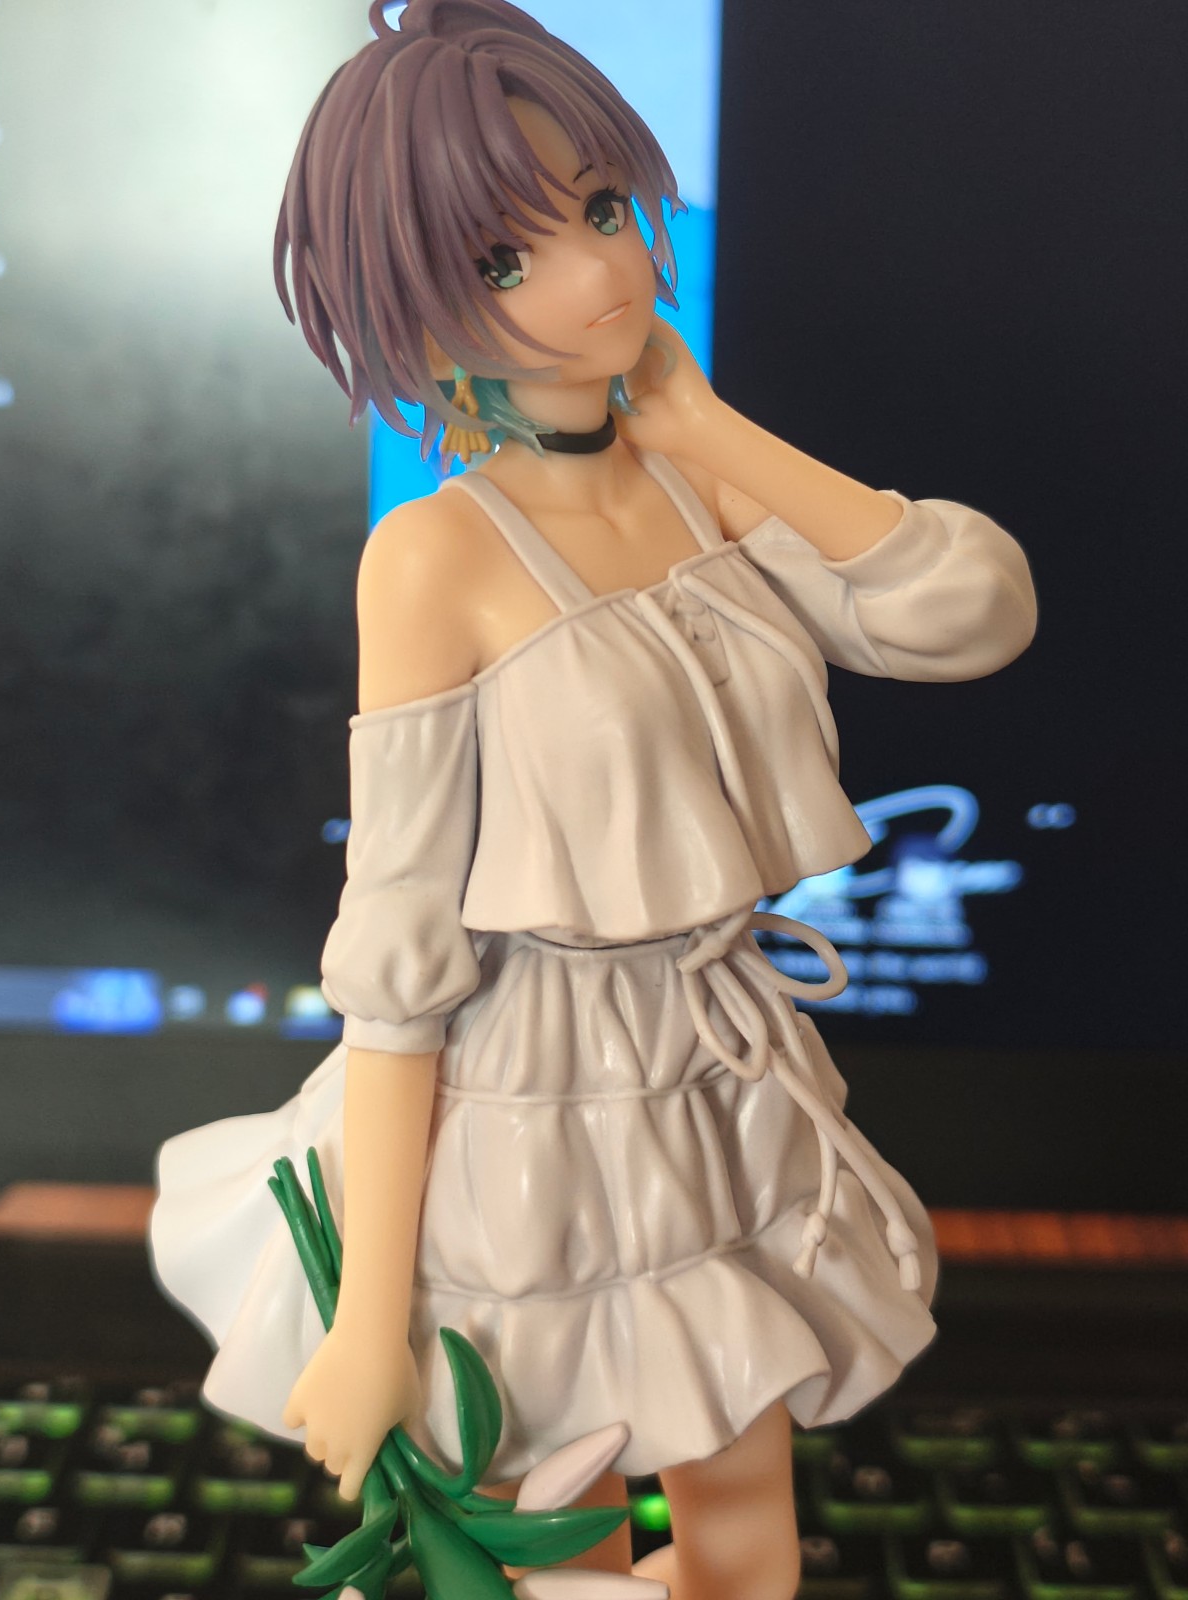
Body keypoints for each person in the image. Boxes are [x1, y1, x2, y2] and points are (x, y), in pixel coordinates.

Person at [150, 3, 1038, 1596]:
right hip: (517, 1112)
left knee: (745, 1527)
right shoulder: (432, 557)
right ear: (420, 305)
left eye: (606, 210)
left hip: (710, 1076)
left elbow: (966, 617)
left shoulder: (704, 483)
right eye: (509, 256)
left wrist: (709, 428)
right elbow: (400, 957)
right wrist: (368, 1323)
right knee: (539, 1533)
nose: (596, 274)